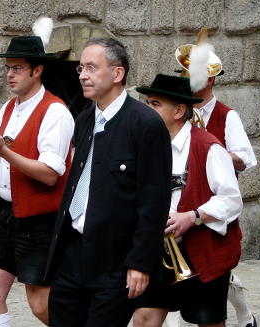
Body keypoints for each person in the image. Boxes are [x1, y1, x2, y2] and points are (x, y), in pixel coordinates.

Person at [45, 38, 172, 327]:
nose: (82, 75)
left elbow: (154, 201)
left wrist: (140, 262)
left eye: (91, 67)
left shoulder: (146, 124)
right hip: (73, 252)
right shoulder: (86, 119)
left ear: (118, 74)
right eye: (80, 68)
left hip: (116, 260)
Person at [0, 32, 75, 327]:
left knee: (41, 304)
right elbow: (4, 165)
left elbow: (48, 175)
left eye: (17, 68)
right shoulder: (8, 108)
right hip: (7, 214)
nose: (9, 74)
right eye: (7, 68)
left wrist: (3, 151)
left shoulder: (55, 111)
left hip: (40, 219)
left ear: (37, 70)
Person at [132, 74, 243, 327]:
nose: (147, 110)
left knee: (208, 322)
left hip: (203, 251)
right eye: (147, 103)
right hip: (158, 252)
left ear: (179, 110)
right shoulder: (145, 145)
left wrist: (193, 216)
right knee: (144, 318)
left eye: (155, 104)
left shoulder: (209, 147)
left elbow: (232, 200)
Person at [188, 56, 257, 327]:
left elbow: (246, 160)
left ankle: (244, 315)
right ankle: (245, 316)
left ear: (212, 78)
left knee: (214, 272)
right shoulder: (178, 111)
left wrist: (211, 150)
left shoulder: (227, 116)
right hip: (182, 206)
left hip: (214, 208)